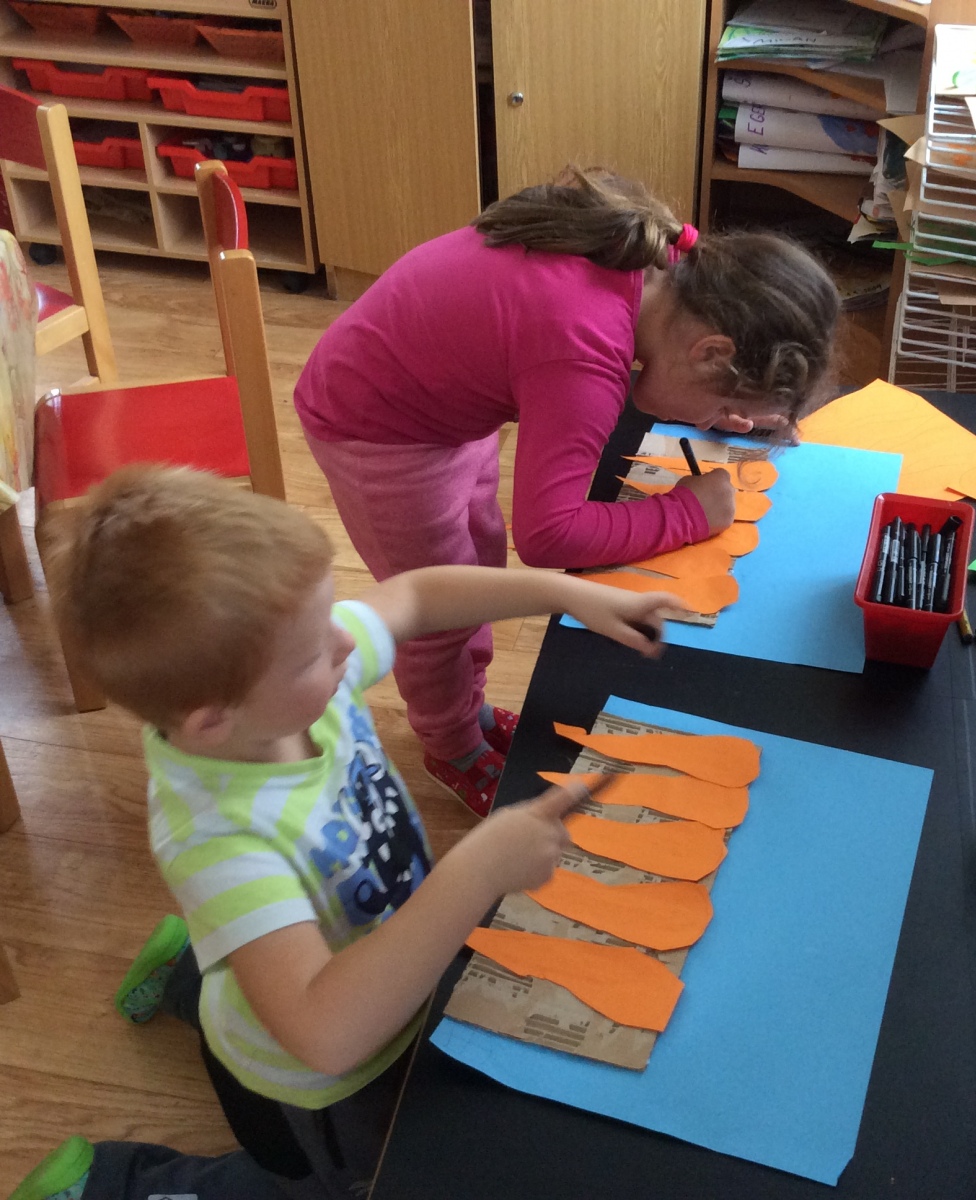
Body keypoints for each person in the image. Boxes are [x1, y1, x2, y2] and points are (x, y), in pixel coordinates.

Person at [12, 465, 679, 1200]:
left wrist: (565, 592)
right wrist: (477, 871)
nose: (344, 643)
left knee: (252, 951)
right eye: (312, 651)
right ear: (211, 720)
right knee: (329, 1186)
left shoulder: (282, 689)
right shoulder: (218, 841)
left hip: (356, 958)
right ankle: (114, 1182)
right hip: (325, 1083)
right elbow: (323, 1034)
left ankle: (191, 967)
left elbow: (415, 596)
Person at [295, 166, 840, 816]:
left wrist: (735, 408)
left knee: (476, 568)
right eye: (723, 406)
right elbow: (549, 536)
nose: (715, 423)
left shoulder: (668, 266)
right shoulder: (584, 352)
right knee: (440, 612)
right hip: (376, 426)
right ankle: (450, 745)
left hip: (440, 402)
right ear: (709, 351)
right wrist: (687, 513)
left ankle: (465, 712)